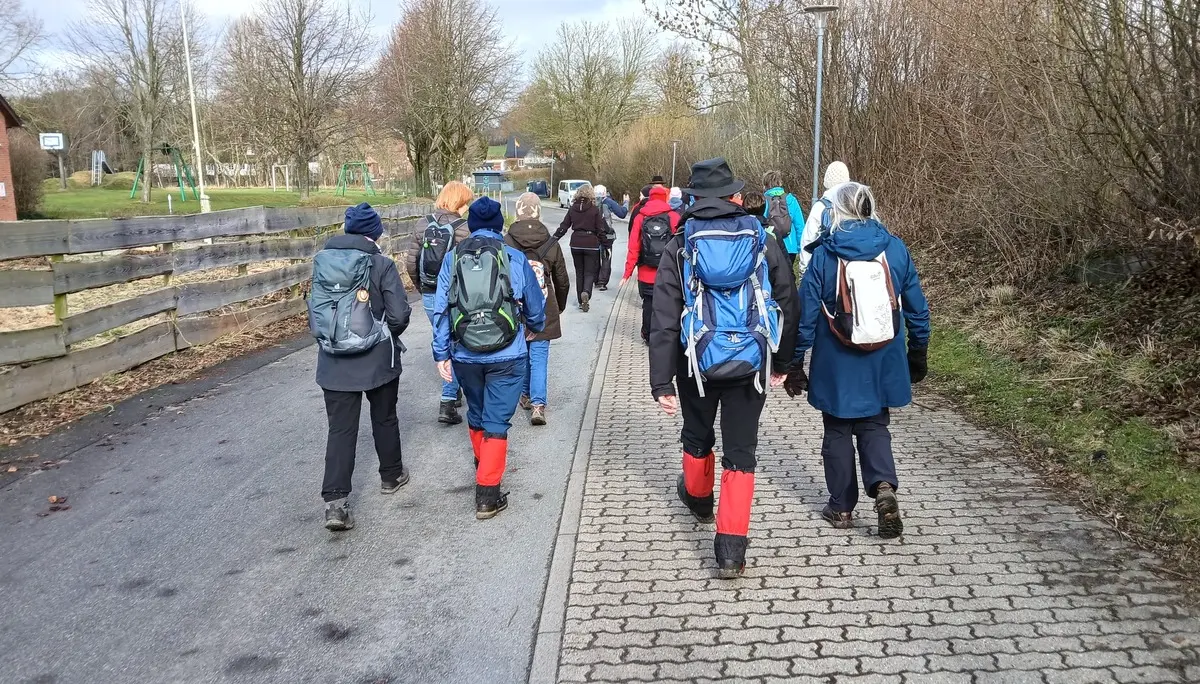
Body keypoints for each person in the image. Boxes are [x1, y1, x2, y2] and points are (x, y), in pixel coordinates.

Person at [649, 158, 799, 578]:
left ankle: (698, 500)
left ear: (694, 198)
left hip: (694, 363)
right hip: (751, 362)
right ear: (734, 196)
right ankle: (731, 551)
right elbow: (787, 300)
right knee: (741, 452)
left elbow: (662, 317)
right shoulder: (761, 239)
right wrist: (784, 361)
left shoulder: (680, 245)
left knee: (697, 435)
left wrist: (661, 379)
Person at [784, 182, 930, 539]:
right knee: (875, 424)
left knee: (837, 431)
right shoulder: (895, 249)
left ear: (836, 211)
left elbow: (804, 319)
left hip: (836, 361)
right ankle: (883, 487)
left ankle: (841, 507)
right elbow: (918, 309)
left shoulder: (824, 255)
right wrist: (918, 352)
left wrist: (794, 363)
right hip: (884, 358)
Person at [432, 196, 547, 520]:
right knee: (497, 420)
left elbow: (442, 309)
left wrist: (441, 352)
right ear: (500, 225)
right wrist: (533, 328)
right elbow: (535, 305)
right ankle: (487, 494)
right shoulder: (513, 256)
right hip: (508, 352)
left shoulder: (453, 257)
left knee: (478, 412)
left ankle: (483, 463)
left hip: (465, 354)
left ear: (471, 226)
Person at [312, 203, 413, 532]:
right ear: (375, 233)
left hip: (333, 363)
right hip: (377, 361)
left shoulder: (323, 263)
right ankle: (391, 475)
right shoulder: (381, 264)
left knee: (340, 429)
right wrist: (383, 335)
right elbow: (399, 315)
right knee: (384, 417)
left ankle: (336, 504)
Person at [406, 180, 472, 425]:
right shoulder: (465, 228)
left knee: (440, 337)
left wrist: (422, 288)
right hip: (455, 294)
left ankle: (453, 392)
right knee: (455, 342)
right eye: (466, 202)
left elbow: (411, 262)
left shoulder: (423, 223)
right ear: (459, 202)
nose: (467, 207)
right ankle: (448, 400)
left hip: (430, 292)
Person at [506, 193, 569, 426]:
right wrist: (559, 306)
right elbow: (561, 279)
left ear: (518, 212)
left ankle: (524, 395)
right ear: (538, 212)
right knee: (539, 356)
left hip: (516, 309)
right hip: (545, 307)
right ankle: (538, 405)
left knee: (522, 354)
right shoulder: (551, 243)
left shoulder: (506, 242)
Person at [620, 184, 681, 343]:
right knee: (665, 304)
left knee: (648, 303)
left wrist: (627, 273)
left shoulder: (641, 216)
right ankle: (663, 335)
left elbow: (633, 247)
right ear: (664, 197)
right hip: (667, 271)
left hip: (646, 271)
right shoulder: (673, 217)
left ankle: (647, 334)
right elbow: (681, 246)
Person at [552, 184, 609, 312]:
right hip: (591, 244)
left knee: (579, 272)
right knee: (589, 272)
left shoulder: (572, 209)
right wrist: (606, 245)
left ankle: (580, 300)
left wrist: (553, 239)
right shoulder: (594, 210)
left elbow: (564, 226)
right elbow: (600, 230)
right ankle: (586, 293)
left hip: (576, 243)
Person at [797, 161, 851, 276]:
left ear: (827, 182)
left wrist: (804, 270)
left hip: (826, 271)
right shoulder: (855, 205)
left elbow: (808, 241)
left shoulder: (821, 207)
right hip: (852, 269)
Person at [762, 170, 806, 268]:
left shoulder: (764, 201)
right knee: (789, 276)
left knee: (773, 278)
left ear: (765, 185)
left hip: (771, 247)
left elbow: (761, 223)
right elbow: (800, 226)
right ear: (780, 183)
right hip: (790, 247)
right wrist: (800, 248)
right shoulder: (791, 200)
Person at [593, 185, 628, 292]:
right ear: (605, 193)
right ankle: (602, 282)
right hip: (607, 234)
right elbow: (622, 213)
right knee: (606, 257)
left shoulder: (590, 202)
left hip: (593, 234)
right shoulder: (608, 202)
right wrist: (626, 202)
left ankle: (595, 279)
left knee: (594, 257)